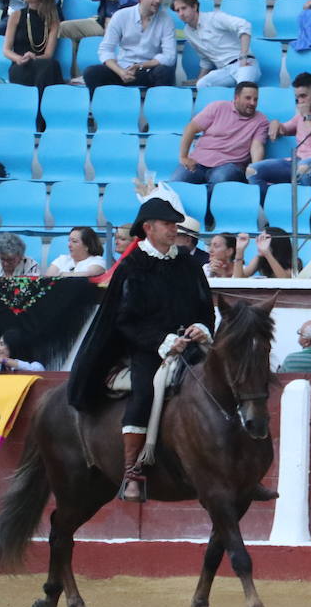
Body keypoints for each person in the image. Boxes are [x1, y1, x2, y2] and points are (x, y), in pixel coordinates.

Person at [66, 197, 213, 501]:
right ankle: (132, 472)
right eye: (168, 224)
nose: (175, 229)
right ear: (148, 228)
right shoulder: (131, 267)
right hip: (147, 349)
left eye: (176, 224)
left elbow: (205, 307)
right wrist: (164, 341)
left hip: (192, 346)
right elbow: (125, 321)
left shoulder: (188, 262)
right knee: (144, 390)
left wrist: (203, 327)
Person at [249, 73, 311, 199]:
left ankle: (309, 214)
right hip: (296, 161)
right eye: (297, 98)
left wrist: (307, 117)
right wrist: (276, 123)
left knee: (304, 167)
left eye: (303, 96)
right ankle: (275, 208)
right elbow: (285, 129)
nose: (300, 101)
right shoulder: (302, 113)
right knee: (253, 171)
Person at [80, 0, 173, 94]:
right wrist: (120, 71)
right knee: (91, 72)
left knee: (165, 71)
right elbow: (105, 50)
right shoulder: (121, 16)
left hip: (148, 70)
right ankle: (101, 109)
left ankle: (158, 110)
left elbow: (170, 56)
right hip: (123, 69)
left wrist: (140, 66)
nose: (158, 0)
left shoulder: (166, 20)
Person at [171, 82, 267, 188]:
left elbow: (257, 147)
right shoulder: (218, 107)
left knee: (220, 181)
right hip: (198, 162)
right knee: (176, 182)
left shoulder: (261, 120)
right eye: (248, 98)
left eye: (255, 99)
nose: (252, 103)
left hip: (228, 165)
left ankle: (205, 202)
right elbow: (190, 128)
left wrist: (254, 171)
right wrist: (183, 157)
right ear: (237, 97)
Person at [172, 0, 260, 88]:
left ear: (195, 6)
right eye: (177, 10)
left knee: (243, 88)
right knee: (201, 85)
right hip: (224, 70)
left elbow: (244, 25)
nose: (181, 14)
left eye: (184, 8)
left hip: (244, 63)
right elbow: (205, 59)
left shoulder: (214, 18)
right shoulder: (188, 32)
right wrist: (199, 79)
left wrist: (243, 56)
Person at [2, 0, 62, 97]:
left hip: (41, 63)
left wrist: (33, 57)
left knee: (51, 65)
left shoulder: (52, 20)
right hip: (20, 65)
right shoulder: (16, 15)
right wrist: (19, 58)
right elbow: (6, 50)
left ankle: (41, 109)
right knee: (48, 68)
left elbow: (48, 54)